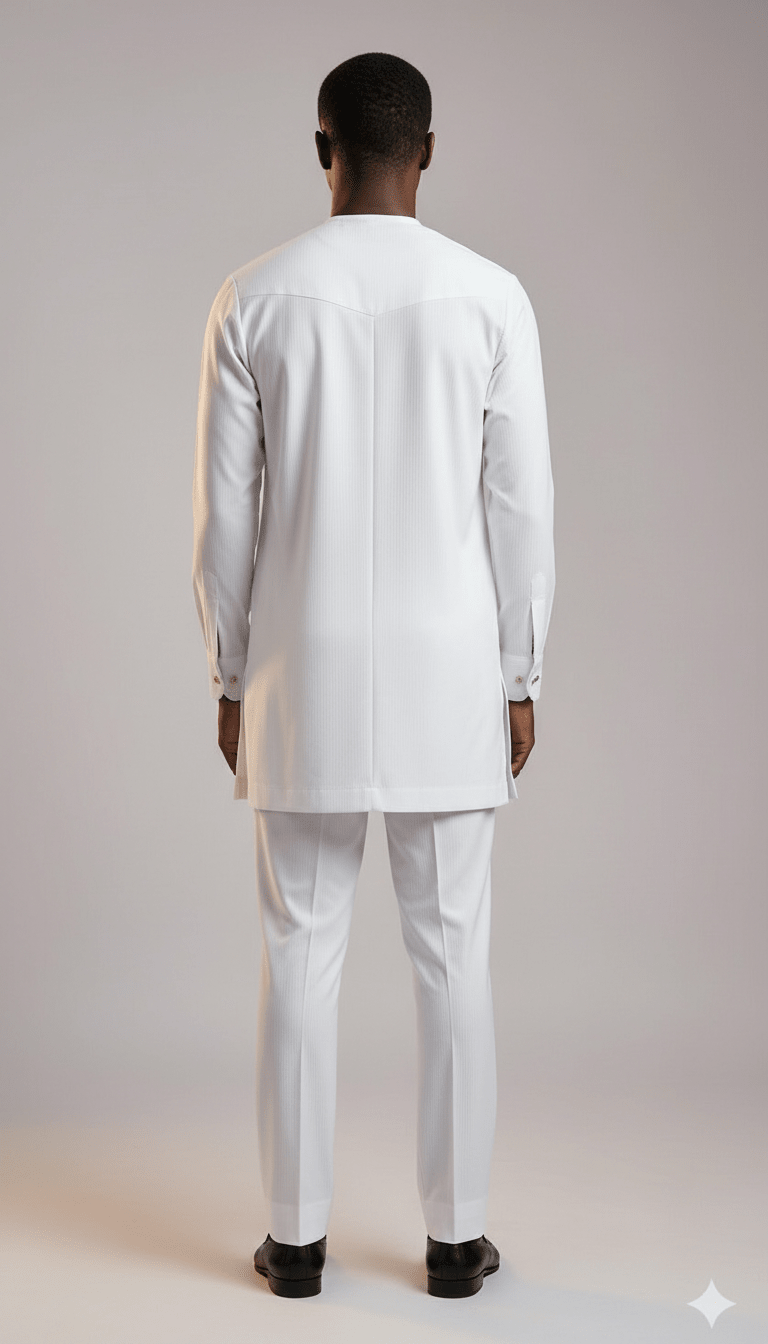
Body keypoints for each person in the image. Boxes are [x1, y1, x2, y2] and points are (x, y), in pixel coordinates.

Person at [192, 50, 555, 1300]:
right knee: (454, 956)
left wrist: (229, 673)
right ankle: (456, 1242)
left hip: (302, 668)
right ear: (428, 152)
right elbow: (522, 508)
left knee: (300, 950)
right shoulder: (492, 298)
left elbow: (224, 521)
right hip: (449, 669)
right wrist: (521, 671)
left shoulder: (253, 297)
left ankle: (295, 1243)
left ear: (322, 149)